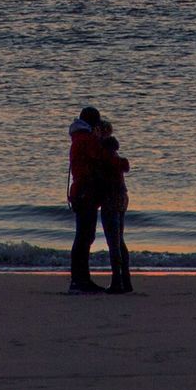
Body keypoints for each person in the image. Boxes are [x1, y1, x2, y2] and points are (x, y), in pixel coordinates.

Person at [66, 105, 125, 294]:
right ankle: (79, 281)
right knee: (84, 237)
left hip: (81, 192)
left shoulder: (79, 137)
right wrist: (122, 162)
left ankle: (80, 280)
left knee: (84, 237)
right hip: (86, 193)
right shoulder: (87, 139)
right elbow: (103, 158)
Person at [97, 120, 133, 294]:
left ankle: (117, 282)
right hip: (122, 197)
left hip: (111, 199)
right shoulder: (116, 157)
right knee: (119, 240)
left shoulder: (104, 157)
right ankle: (125, 280)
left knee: (113, 242)